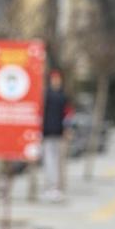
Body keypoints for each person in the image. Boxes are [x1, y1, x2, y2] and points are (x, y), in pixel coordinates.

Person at [41, 68, 72, 201]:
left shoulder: (62, 96)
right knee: (49, 160)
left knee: (56, 161)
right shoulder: (46, 96)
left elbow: (67, 115)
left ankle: (56, 187)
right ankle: (51, 186)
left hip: (58, 133)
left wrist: (66, 129)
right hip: (48, 132)